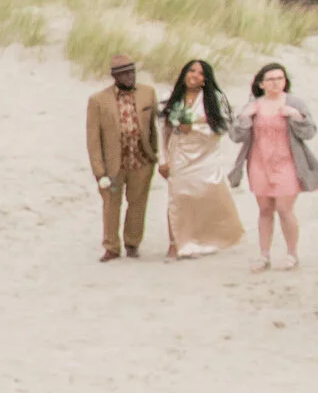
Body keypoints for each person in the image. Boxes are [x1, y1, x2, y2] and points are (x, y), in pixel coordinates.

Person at [230, 61, 318, 271]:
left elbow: (310, 132)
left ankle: (291, 254)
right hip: (259, 163)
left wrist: (296, 117)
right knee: (264, 209)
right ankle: (264, 255)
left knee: (284, 208)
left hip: (288, 162)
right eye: (270, 79)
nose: (275, 83)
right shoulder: (253, 105)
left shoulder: (294, 102)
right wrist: (244, 118)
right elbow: (236, 136)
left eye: (280, 78)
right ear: (261, 83)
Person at [157, 58, 245, 260]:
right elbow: (163, 130)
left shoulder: (214, 98)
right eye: (191, 71)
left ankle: (202, 239)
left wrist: (194, 127)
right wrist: (163, 159)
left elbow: (221, 128)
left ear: (205, 79)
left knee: (207, 196)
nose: (194, 76)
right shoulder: (170, 97)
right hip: (179, 155)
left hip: (206, 155)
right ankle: (174, 243)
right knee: (177, 198)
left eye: (200, 73)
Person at [85, 54, 159, 261]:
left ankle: (133, 243)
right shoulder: (99, 100)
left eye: (131, 72)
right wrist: (99, 171)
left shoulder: (147, 93)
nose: (129, 77)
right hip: (113, 164)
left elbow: (153, 126)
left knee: (138, 203)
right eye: (124, 74)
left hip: (141, 160)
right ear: (115, 76)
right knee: (111, 205)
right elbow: (93, 140)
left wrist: (154, 154)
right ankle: (111, 246)